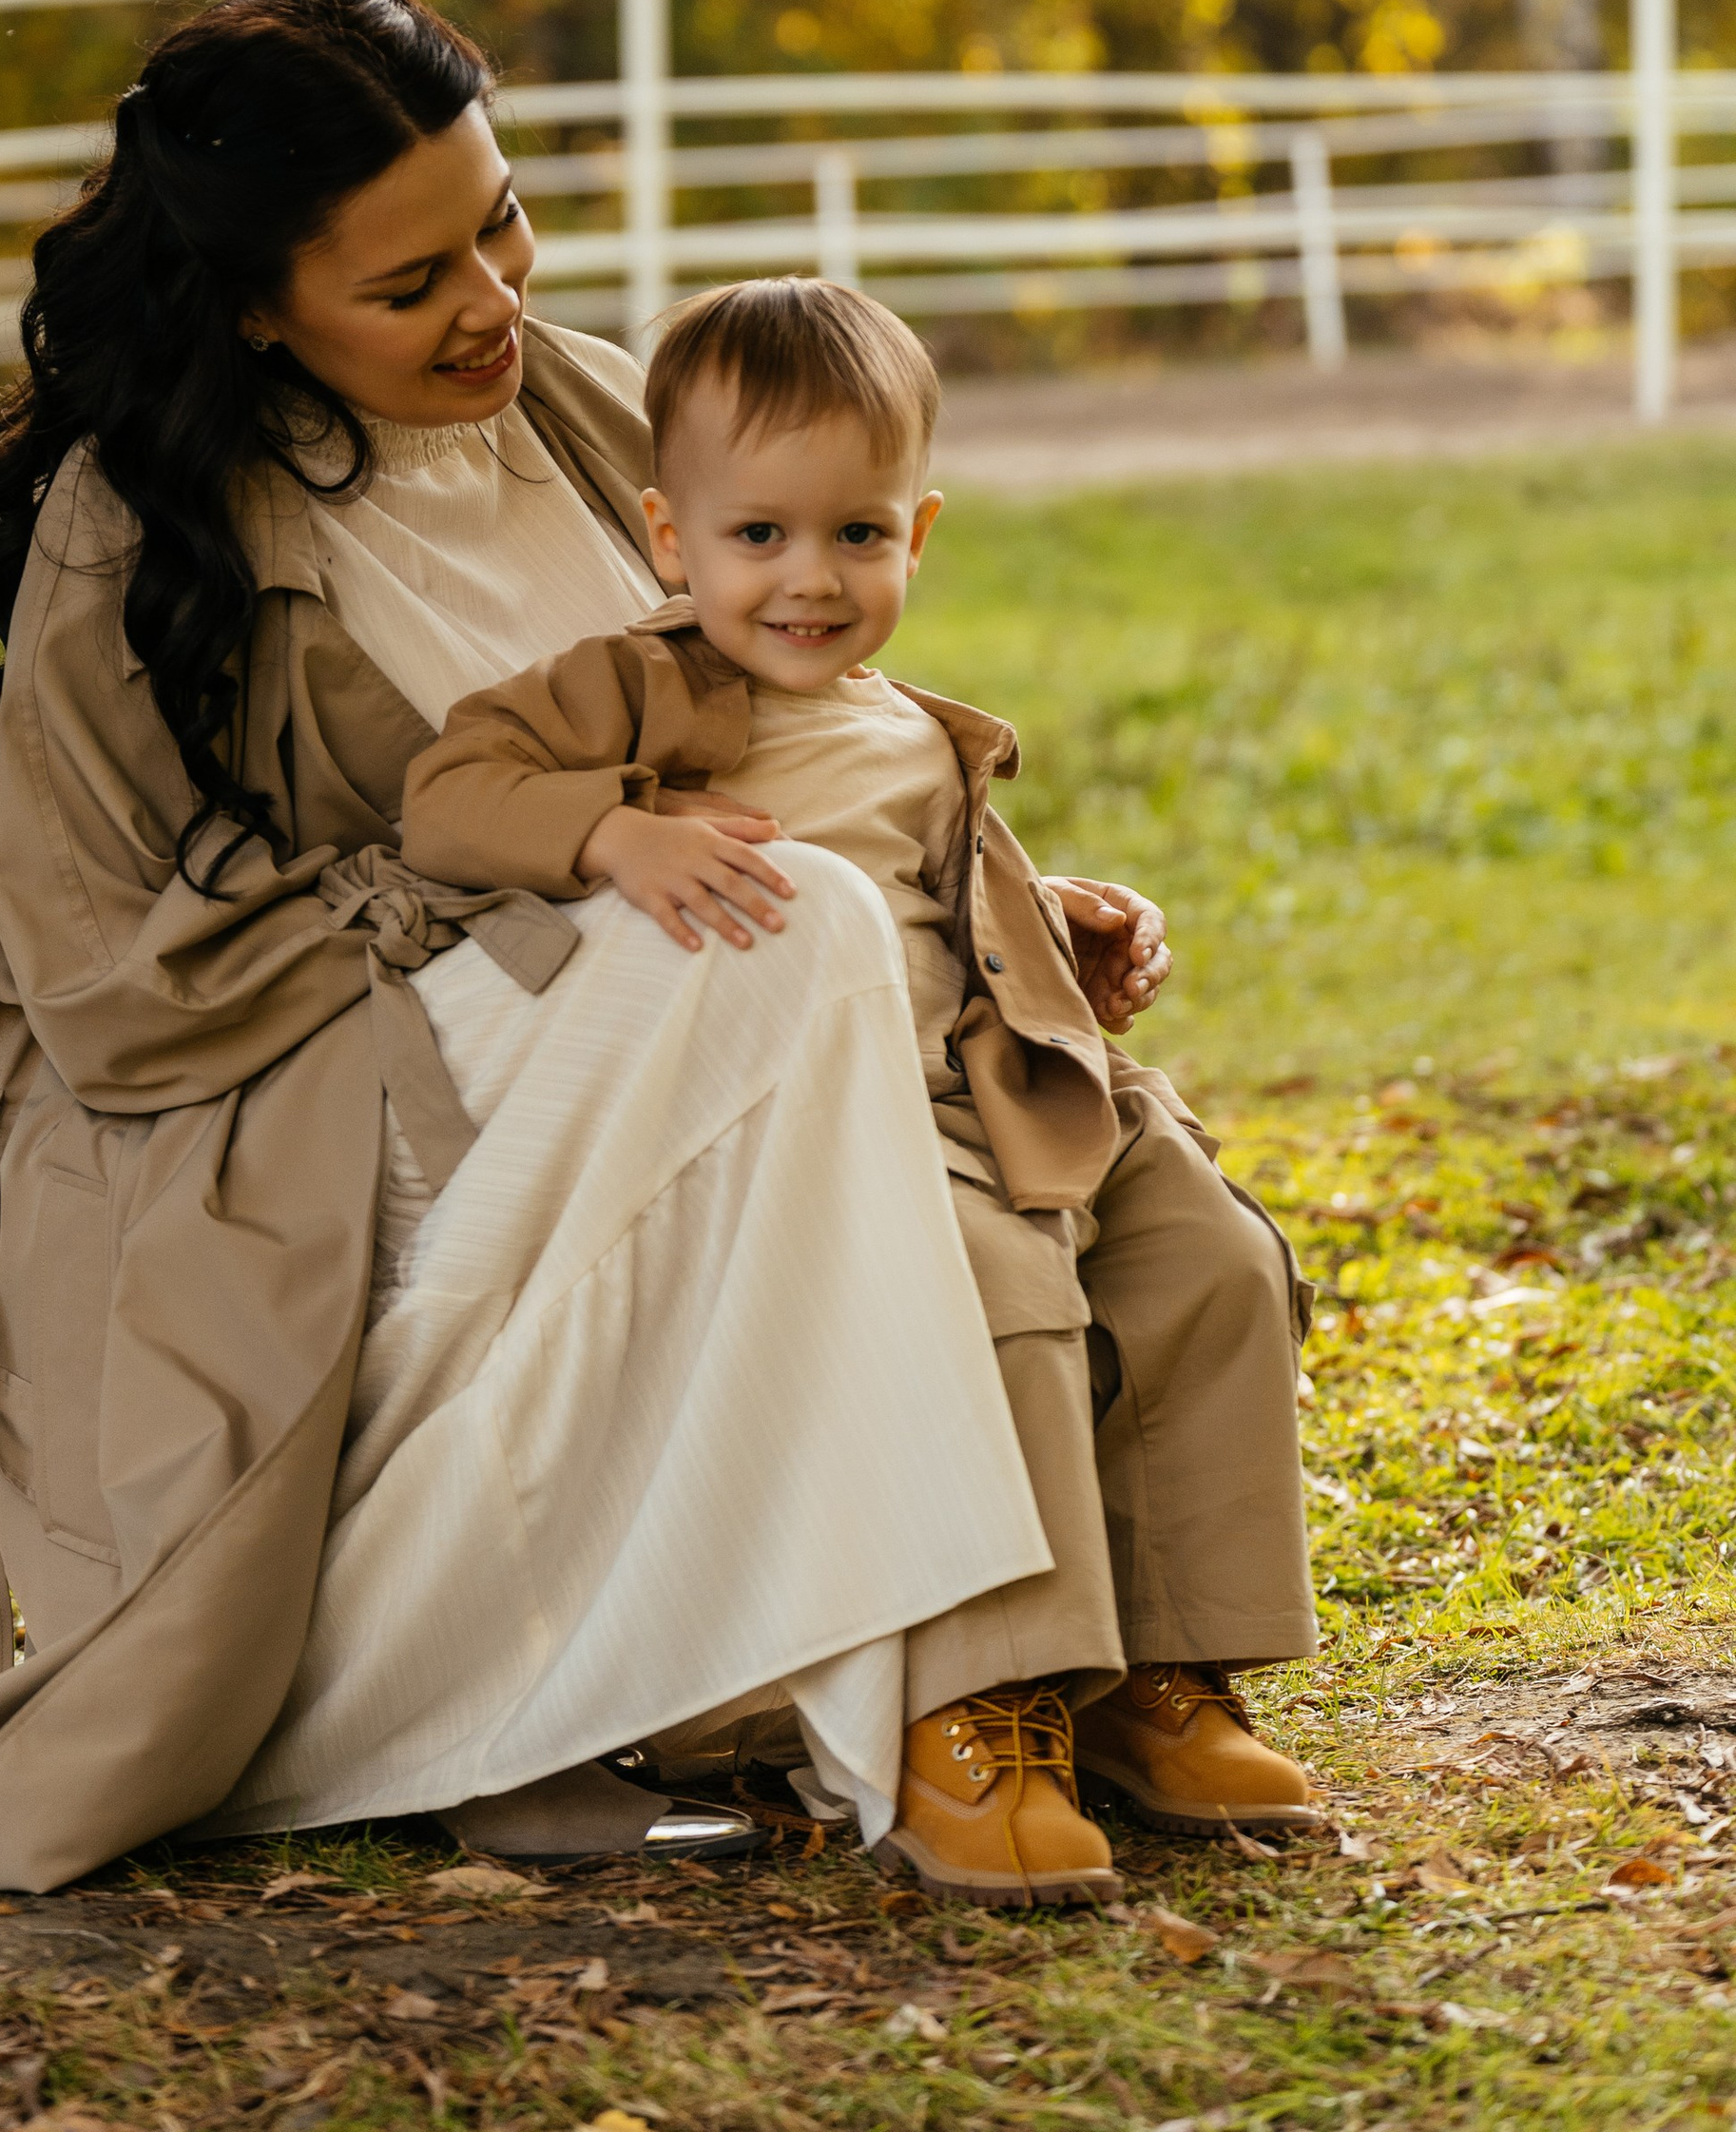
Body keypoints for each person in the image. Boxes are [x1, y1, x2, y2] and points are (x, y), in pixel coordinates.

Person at [0, 0, 1202, 1901]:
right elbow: (105, 981)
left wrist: (1000, 909)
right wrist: (525, 884)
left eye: (500, 221)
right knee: (790, 944)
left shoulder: (588, 403)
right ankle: (922, 1704)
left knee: (1044, 1097)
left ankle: (1116, 1668)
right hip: (333, 1096)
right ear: (256, 305)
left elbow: (794, 727)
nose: (490, 300)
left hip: (675, 1001)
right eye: (408, 281)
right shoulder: (142, 528)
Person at [402, 276, 1321, 1897]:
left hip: (1010, 1079)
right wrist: (609, 831)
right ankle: (972, 1708)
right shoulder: (633, 685)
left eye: (858, 534)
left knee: (1214, 1259)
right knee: (1001, 1303)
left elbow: (932, 903)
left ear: (919, 532)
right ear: (671, 535)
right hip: (854, 1123)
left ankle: (1159, 1671)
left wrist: (1057, 929)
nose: (810, 579)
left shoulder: (906, 725)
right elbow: (447, 798)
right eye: (758, 535)